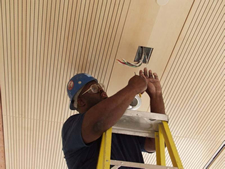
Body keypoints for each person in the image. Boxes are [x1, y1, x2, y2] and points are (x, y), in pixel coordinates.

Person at [62, 67, 166, 169]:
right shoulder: (71, 126)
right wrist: (133, 88)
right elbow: (98, 124)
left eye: (101, 87)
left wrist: (156, 95)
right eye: (94, 88)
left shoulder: (122, 123)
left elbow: (155, 144)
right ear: (81, 101)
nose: (103, 92)